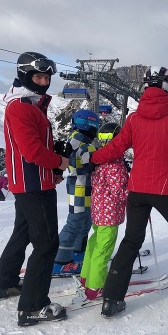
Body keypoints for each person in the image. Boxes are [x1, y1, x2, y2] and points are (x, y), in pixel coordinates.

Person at [83, 66, 168, 318]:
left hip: (137, 190)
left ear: (146, 88)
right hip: (166, 190)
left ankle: (112, 300)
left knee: (130, 242)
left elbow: (116, 147)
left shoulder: (134, 119)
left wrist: (94, 158)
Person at [0, 52, 68, 327]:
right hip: (33, 185)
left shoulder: (29, 104)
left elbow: (35, 150)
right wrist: (60, 162)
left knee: (22, 232)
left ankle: (5, 283)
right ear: (25, 75)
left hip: (29, 182)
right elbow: (32, 151)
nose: (44, 81)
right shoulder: (22, 107)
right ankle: (34, 307)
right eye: (38, 76)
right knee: (47, 244)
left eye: (47, 76)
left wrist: (53, 171)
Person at [79, 122, 129, 300]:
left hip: (99, 211)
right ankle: (96, 285)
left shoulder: (98, 160)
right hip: (110, 214)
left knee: (94, 244)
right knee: (104, 249)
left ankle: (86, 277)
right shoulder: (114, 164)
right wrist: (135, 192)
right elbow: (120, 191)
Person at [52, 109, 99, 276]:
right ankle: (60, 260)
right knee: (75, 222)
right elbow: (91, 167)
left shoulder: (74, 140)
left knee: (84, 221)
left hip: (79, 186)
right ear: (89, 125)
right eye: (95, 125)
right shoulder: (85, 145)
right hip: (81, 187)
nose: (96, 129)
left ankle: (78, 253)